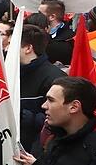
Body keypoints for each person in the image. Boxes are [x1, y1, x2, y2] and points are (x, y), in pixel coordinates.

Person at [19, 24, 68, 152]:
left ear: (28, 48)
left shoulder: (55, 78)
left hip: (36, 149)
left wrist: (24, 115)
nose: (7, 49)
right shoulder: (11, 72)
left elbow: (60, 119)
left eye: (12, 45)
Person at [38, 0, 73, 65]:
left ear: (52, 17)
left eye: (40, 13)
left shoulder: (69, 38)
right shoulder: (38, 33)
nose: (37, 16)